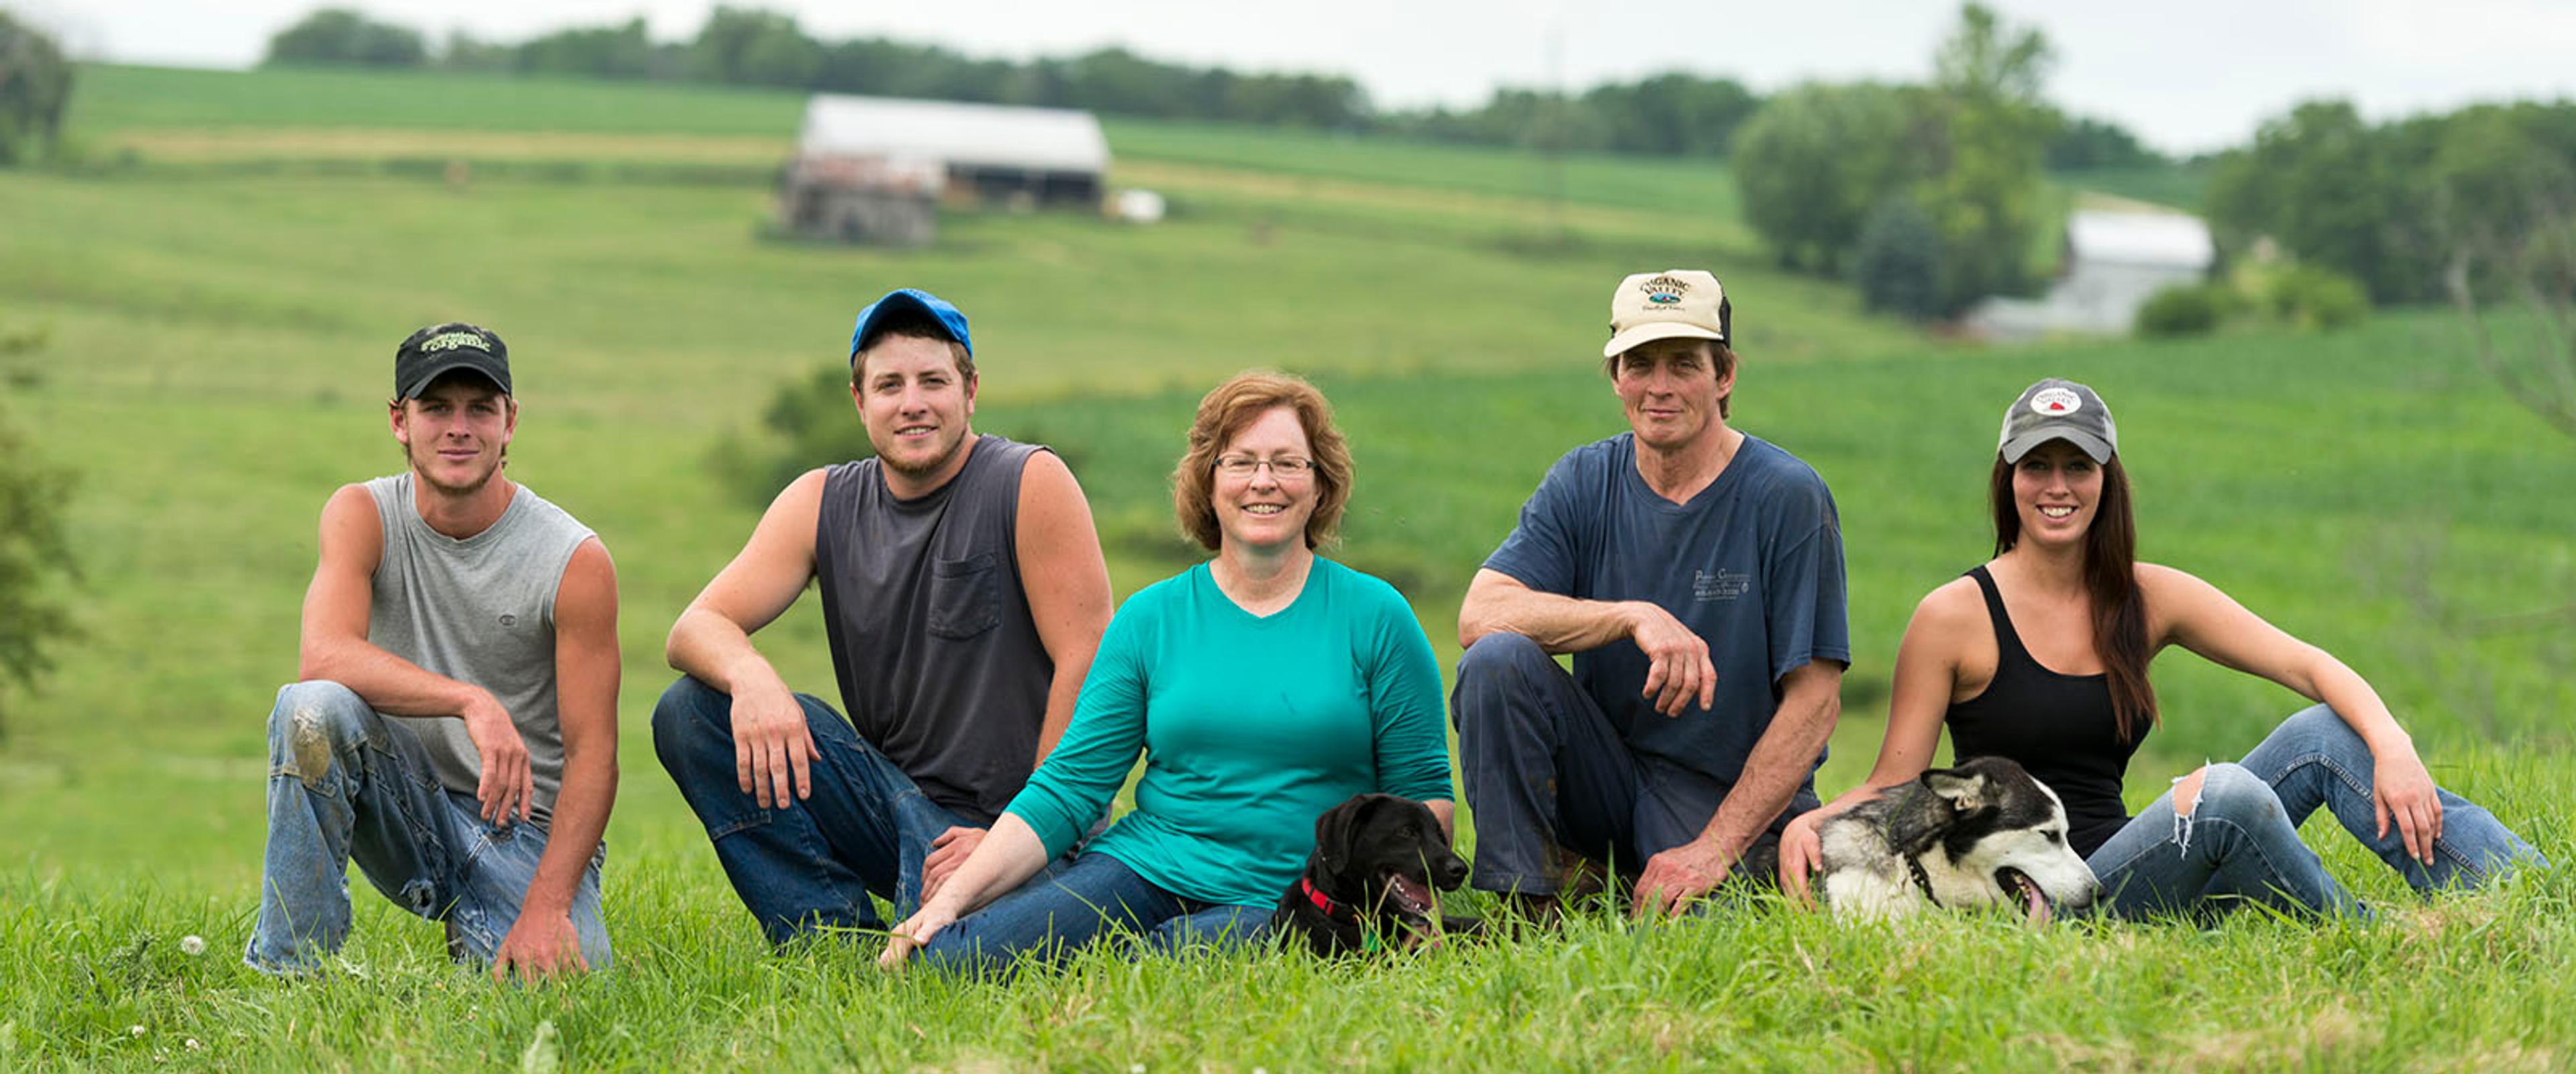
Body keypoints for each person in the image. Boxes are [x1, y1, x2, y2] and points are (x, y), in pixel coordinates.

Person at [1780, 378, 2546, 918]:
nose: (2058, 485)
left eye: (2077, 465)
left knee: (2325, 733)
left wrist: (2392, 742)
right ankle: (2377, 936)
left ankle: (2528, 893)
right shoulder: (1953, 614)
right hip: (2057, 895)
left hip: (2137, 858)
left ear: (2106, 480)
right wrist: (1804, 823)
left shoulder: (2149, 595)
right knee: (2226, 796)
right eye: (2036, 464)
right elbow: (1898, 779)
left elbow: (2308, 665)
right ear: (2007, 479)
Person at [879, 372, 1456, 975]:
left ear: (1320, 485)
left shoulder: (1377, 617)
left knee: (1147, 973)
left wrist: (1386, 909)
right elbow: (1069, 787)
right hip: (1142, 866)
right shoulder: (1150, 618)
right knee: (947, 964)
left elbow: (1426, 801)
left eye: (1288, 463)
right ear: (1209, 482)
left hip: (1283, 898)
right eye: (1241, 462)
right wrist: (948, 902)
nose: (1264, 482)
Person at [653, 288, 1115, 945]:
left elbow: (1090, 665)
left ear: (971, 389)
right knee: (691, 711)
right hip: (899, 813)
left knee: (993, 956)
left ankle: (979, 908)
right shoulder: (821, 500)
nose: (913, 402)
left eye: (933, 380)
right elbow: (695, 627)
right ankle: (830, 937)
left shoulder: (1027, 480)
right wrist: (754, 679)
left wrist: (1017, 832)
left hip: (1032, 827)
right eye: (890, 384)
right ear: (859, 400)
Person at [1451, 270, 1849, 920]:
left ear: (1724, 376)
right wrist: (1630, 615)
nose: (1659, 386)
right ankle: (1528, 902)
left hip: (1718, 790)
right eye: (1640, 364)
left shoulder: (1786, 495)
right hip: (1607, 771)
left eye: (1683, 364)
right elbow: (1480, 613)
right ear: (1616, 377)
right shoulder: (1583, 479)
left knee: (1700, 925)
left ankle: (1624, 876)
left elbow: (1816, 702)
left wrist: (1711, 849)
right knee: (1496, 663)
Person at [247, 323, 619, 981]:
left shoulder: (574, 559)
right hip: (406, 802)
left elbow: (595, 758)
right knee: (310, 709)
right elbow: (322, 656)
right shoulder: (361, 513)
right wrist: (469, 700)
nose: (459, 427)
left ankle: (489, 920)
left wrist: (547, 906)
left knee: (567, 994)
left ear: (510, 423)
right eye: (436, 406)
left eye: (481, 407)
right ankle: (291, 972)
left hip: (525, 831)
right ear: (399, 420)